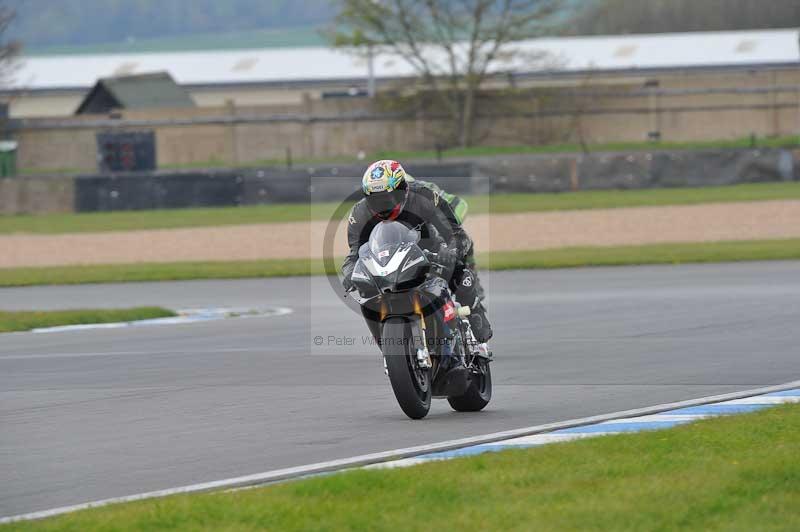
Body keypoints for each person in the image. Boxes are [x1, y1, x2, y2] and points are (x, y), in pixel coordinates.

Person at [341, 159, 492, 351]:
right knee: (366, 293)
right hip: (388, 259)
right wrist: (349, 273)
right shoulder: (360, 213)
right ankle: (389, 346)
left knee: (458, 270)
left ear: (402, 190)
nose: (381, 206)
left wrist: (450, 251)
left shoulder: (424, 196)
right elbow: (355, 253)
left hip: (429, 247)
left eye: (387, 198)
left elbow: (456, 233)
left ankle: (475, 313)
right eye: (374, 199)